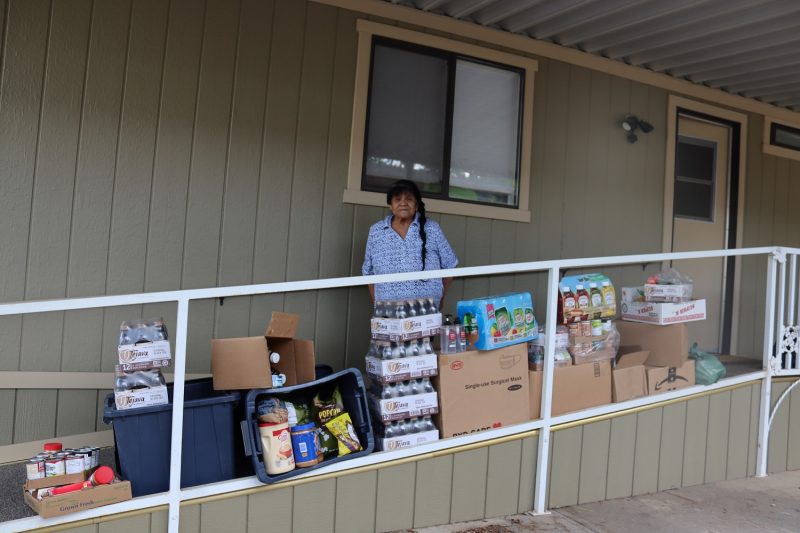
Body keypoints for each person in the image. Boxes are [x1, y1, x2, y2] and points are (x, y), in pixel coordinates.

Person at [362, 179, 459, 309]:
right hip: (388, 312)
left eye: (409, 199)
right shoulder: (376, 231)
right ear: (390, 205)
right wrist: (377, 304)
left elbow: (450, 265)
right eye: (397, 199)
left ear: (416, 205)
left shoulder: (432, 229)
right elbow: (368, 272)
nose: (403, 203)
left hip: (426, 310)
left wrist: (440, 296)